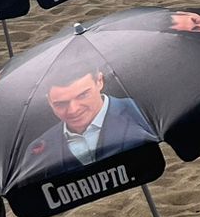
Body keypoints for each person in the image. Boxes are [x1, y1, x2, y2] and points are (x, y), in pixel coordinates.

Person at [25, 69, 158, 173]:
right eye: (61, 104)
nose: (73, 110)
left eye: (83, 95)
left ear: (99, 81)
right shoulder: (39, 150)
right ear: (49, 100)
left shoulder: (144, 113)